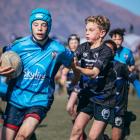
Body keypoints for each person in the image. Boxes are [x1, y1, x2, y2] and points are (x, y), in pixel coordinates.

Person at [0, 8, 79, 140]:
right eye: (36, 24)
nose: (40, 28)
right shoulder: (19, 45)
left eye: (44, 24)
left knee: (22, 137)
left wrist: (76, 77)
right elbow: (4, 55)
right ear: (31, 26)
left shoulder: (58, 49)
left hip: (40, 99)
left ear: (49, 26)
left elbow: (73, 63)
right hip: (16, 99)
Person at [70, 15, 116, 140]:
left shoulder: (106, 51)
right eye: (86, 30)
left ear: (102, 33)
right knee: (76, 131)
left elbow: (94, 72)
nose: (86, 33)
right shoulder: (83, 47)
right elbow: (73, 57)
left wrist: (77, 68)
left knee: (92, 137)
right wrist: (68, 60)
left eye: (91, 30)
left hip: (105, 98)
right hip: (88, 96)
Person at [109, 28, 135, 140]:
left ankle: (120, 127)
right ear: (111, 40)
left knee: (119, 111)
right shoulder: (107, 51)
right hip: (109, 86)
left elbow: (132, 65)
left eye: (119, 39)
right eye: (115, 39)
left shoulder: (127, 52)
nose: (117, 41)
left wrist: (129, 70)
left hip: (123, 86)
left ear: (122, 40)